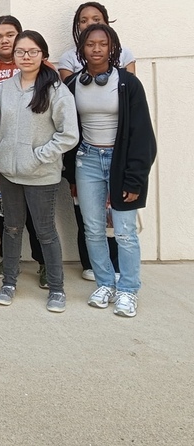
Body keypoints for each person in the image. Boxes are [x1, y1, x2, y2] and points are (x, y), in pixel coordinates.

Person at [64, 24, 156, 317]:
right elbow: (68, 130)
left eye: (103, 44)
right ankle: (105, 283)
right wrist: (69, 174)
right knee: (92, 228)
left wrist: (135, 178)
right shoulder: (73, 84)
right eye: (91, 44)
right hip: (86, 160)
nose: (96, 49)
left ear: (112, 48)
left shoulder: (128, 84)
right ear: (82, 48)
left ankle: (128, 290)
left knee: (125, 231)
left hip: (120, 162)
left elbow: (143, 136)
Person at [0, 31, 79, 312]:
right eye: (20, 52)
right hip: (8, 173)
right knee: (12, 228)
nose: (25, 57)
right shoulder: (6, 88)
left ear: (43, 55)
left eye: (32, 51)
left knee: (45, 232)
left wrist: (39, 156)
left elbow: (69, 135)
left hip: (41, 175)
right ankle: (8, 282)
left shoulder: (55, 90)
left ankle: (56, 289)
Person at [0, 15, 46, 285]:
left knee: (37, 215)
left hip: (32, 155)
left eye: (10, 34)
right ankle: (9, 259)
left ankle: (44, 262)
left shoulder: (36, 66)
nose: (5, 40)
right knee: (3, 212)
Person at [57, 2, 129, 281]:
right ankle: (95, 268)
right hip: (86, 153)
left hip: (116, 151)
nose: (89, 24)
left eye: (96, 19)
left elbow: (131, 116)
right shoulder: (71, 71)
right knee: (89, 215)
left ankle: (119, 267)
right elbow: (70, 113)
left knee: (118, 216)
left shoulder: (125, 71)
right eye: (83, 20)